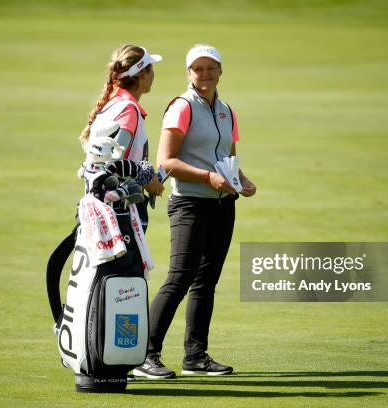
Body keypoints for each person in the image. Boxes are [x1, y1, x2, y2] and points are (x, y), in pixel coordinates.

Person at [133, 44, 256, 379]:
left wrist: (242, 180)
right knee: (180, 278)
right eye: (198, 68)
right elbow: (166, 162)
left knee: (206, 281)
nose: (205, 74)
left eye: (211, 67)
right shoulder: (182, 106)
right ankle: (145, 355)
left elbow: (228, 155)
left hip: (222, 204)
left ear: (220, 71)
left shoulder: (226, 110)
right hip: (189, 202)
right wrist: (207, 177)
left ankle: (195, 357)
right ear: (189, 72)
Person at [80, 44, 165, 222]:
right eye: (151, 69)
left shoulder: (112, 104)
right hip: (120, 212)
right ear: (142, 74)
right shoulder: (128, 109)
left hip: (102, 208)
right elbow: (114, 165)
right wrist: (150, 181)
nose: (154, 75)